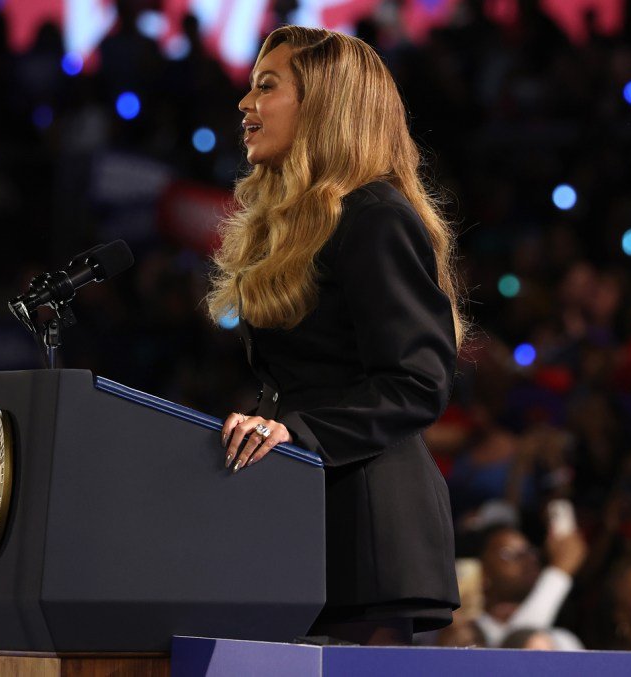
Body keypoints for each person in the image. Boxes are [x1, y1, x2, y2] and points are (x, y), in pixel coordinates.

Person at [208, 26, 466, 646]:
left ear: (324, 104)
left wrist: (294, 432)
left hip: (368, 529)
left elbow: (417, 382)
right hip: (304, 515)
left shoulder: (375, 216)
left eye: (266, 87)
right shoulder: (307, 226)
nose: (246, 105)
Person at [472, 525, 585, 649]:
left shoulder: (563, 641)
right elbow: (516, 646)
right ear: (483, 571)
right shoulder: (467, 631)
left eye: (530, 552)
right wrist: (559, 571)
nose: (528, 559)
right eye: (509, 553)